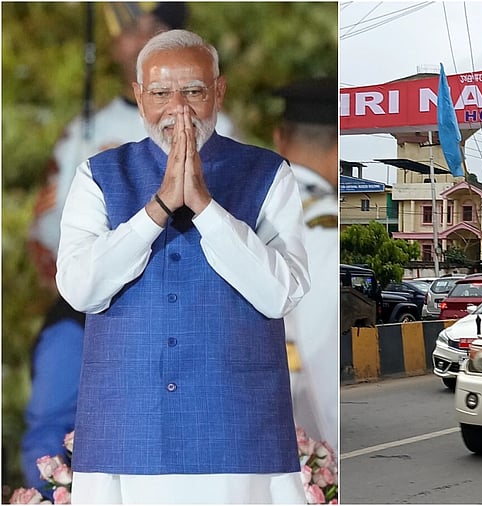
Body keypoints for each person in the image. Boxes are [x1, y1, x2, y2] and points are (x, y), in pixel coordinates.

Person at [55, 29, 310, 503]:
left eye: (193, 91)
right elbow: (79, 289)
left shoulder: (268, 173)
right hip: (126, 427)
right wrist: (157, 210)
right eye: (160, 93)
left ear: (219, 91)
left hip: (236, 428)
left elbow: (281, 293)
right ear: (138, 96)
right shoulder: (98, 174)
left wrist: (207, 209)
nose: (179, 108)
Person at [20, 5, 239, 498]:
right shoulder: (86, 132)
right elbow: (45, 232)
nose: (122, 34)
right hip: (86, 307)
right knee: (50, 426)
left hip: (190, 314)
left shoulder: (225, 135)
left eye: (135, 20)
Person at [273, 78, 339, 449]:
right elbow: (319, 355)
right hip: (294, 433)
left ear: (279, 136)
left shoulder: (232, 209)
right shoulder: (321, 224)